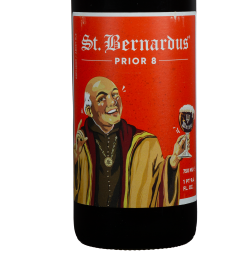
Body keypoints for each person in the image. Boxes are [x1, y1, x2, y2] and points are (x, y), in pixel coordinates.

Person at [73, 76, 186, 208]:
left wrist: (173, 163)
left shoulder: (145, 143)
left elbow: (159, 183)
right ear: (89, 110)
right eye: (102, 98)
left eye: (115, 94)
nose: (112, 101)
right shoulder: (80, 144)